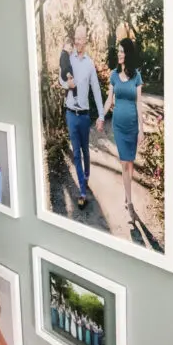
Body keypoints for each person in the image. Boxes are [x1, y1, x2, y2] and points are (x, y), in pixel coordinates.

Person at [59, 25, 105, 210]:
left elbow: (96, 91)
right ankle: (82, 191)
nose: (77, 42)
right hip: (71, 113)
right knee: (76, 153)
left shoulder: (89, 64)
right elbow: (61, 79)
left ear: (86, 40)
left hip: (84, 116)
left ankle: (86, 175)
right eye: (75, 38)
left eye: (81, 38)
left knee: (85, 150)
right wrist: (66, 84)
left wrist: (101, 114)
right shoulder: (68, 60)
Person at [103, 37, 144, 226]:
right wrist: (101, 116)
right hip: (119, 126)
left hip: (133, 126)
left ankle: (127, 196)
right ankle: (129, 202)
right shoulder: (113, 75)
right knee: (124, 162)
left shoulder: (136, 76)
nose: (119, 54)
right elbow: (109, 100)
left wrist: (141, 130)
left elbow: (139, 103)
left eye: (121, 51)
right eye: (118, 51)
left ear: (128, 53)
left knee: (130, 164)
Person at [59, 37, 78, 105]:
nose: (70, 51)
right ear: (66, 45)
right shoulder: (64, 55)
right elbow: (64, 66)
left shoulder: (65, 54)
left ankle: (66, 99)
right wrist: (67, 74)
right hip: (66, 74)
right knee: (74, 86)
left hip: (66, 74)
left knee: (69, 87)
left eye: (71, 49)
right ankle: (76, 100)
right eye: (70, 49)